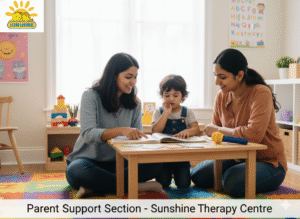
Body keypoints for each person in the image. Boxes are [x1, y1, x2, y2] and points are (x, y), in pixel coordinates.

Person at [191, 48, 287, 197]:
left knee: (231, 183)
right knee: (197, 175)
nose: (217, 82)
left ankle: (233, 175)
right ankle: (231, 172)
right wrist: (214, 133)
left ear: (240, 75)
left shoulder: (260, 93)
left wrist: (218, 131)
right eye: (215, 76)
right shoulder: (221, 96)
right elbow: (214, 135)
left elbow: (253, 136)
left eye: (222, 77)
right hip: (235, 158)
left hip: (268, 162)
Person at [66, 53, 164, 198]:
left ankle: (96, 187)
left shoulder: (135, 103)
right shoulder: (90, 96)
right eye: (128, 77)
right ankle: (135, 186)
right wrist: (121, 130)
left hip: (121, 162)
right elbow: (88, 134)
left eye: (135, 77)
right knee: (77, 171)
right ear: (113, 76)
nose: (133, 82)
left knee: (158, 164)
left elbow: (136, 138)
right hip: (89, 161)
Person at [151, 75, 200, 188]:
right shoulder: (159, 111)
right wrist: (166, 113)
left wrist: (188, 131)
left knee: (184, 184)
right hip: (163, 156)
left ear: (183, 96)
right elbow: (155, 131)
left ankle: (184, 173)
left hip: (181, 156)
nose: (171, 99)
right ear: (162, 95)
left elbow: (196, 129)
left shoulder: (187, 112)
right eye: (167, 95)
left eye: (175, 95)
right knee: (163, 184)